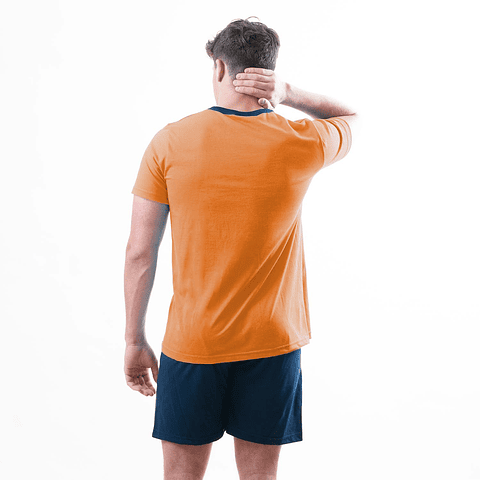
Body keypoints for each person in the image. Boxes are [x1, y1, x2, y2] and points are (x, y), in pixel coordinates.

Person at [124, 17, 357, 480]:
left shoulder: (170, 141)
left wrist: (134, 341)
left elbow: (139, 253)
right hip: (273, 342)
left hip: (194, 343)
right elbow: (350, 118)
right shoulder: (300, 140)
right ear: (268, 71)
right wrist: (288, 92)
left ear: (218, 67)